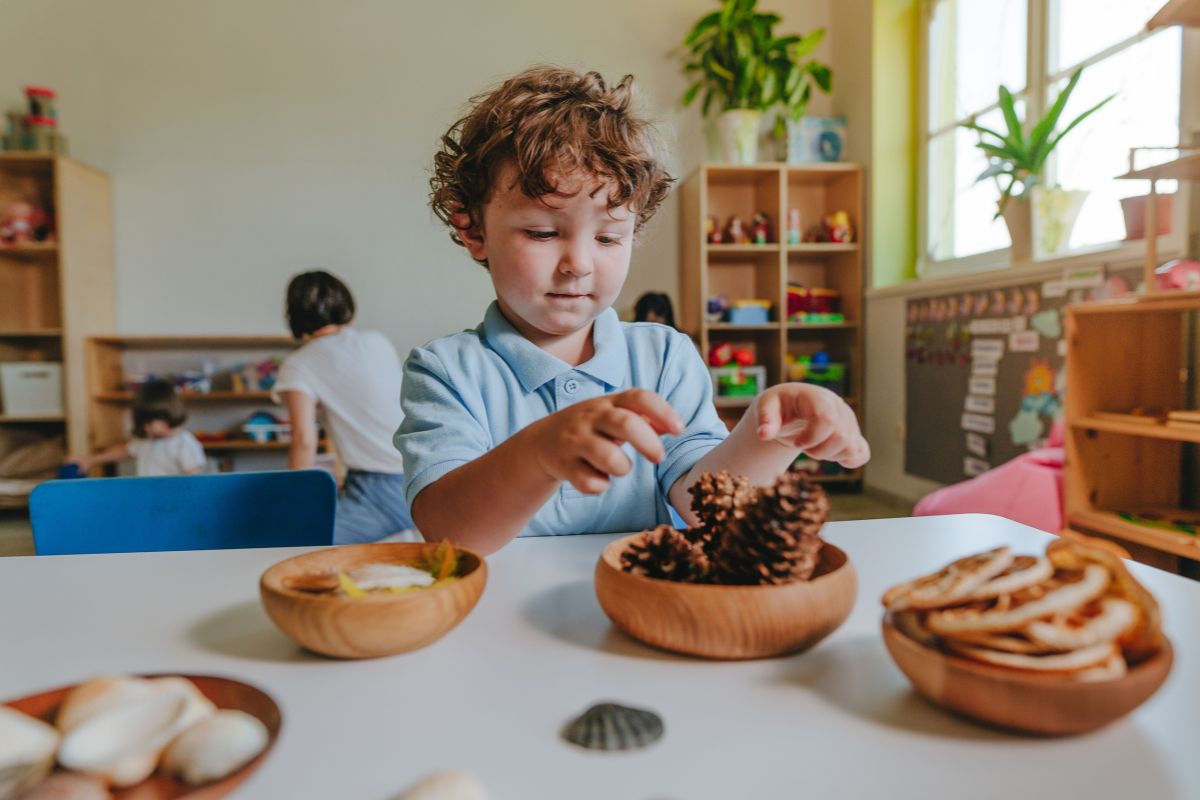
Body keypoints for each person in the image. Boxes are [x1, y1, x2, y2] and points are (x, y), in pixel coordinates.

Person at [397, 65, 869, 555]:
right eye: (541, 232)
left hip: (638, 609)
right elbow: (451, 532)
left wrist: (774, 435)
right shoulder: (445, 371)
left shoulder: (663, 356)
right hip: (498, 620)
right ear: (474, 231)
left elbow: (701, 503)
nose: (579, 264)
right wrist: (541, 452)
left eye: (608, 237)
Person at [274, 270, 414, 544]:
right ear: (347, 307)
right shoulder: (377, 341)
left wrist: (292, 502)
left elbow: (304, 440)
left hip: (378, 488)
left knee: (297, 543)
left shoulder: (299, 364)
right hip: (423, 472)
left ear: (294, 316)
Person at [68, 379, 206, 476]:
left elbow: (194, 479)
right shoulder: (147, 440)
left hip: (173, 503)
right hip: (147, 499)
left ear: (170, 413)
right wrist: (89, 460)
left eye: (152, 422)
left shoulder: (184, 443)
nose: (148, 428)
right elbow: (123, 451)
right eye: (144, 423)